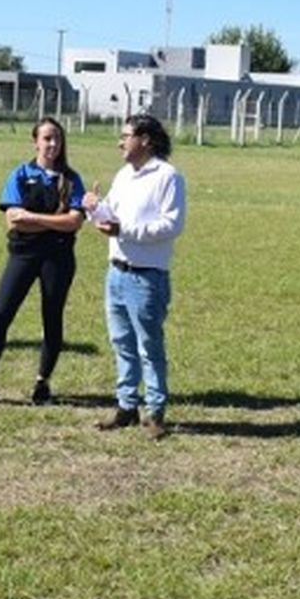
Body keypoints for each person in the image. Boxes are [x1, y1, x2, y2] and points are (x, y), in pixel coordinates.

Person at [0, 117, 86, 407]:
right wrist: (55, 221)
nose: (52, 144)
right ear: (35, 141)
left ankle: (43, 384)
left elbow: (75, 222)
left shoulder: (71, 179)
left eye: (57, 138)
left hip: (58, 258)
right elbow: (14, 223)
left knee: (52, 318)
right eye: (47, 138)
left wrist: (34, 218)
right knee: (0, 314)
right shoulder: (20, 174)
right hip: (23, 255)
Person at [82, 114, 186, 440]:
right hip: (116, 272)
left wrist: (124, 229)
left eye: (126, 135)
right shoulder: (124, 175)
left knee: (148, 346)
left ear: (146, 140)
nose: (120, 141)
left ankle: (155, 412)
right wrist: (93, 208)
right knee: (122, 343)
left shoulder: (168, 177)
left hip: (146, 278)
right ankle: (127, 406)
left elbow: (172, 224)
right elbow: (109, 214)